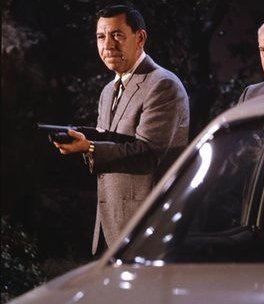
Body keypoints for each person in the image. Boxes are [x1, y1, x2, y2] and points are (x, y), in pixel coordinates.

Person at [53, 3, 190, 254]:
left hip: (146, 229)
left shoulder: (163, 85)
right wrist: (83, 141)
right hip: (109, 228)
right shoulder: (108, 91)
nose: (108, 45)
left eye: (117, 35)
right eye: (101, 36)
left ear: (140, 38)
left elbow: (148, 153)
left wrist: (91, 146)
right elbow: (113, 142)